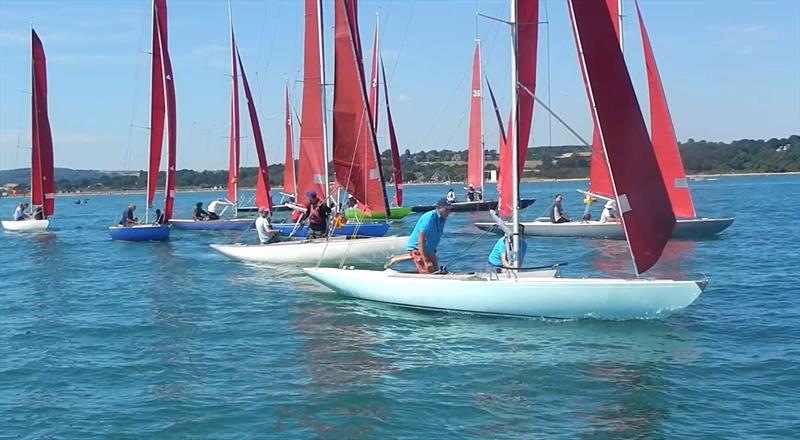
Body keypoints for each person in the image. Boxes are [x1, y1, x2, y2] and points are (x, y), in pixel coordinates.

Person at [406, 198, 451, 273]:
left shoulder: (443, 219)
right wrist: (425, 260)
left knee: (436, 272)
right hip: (418, 250)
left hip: (429, 251)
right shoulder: (429, 217)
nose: (448, 212)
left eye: (450, 209)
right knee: (427, 272)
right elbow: (421, 239)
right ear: (439, 208)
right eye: (446, 209)